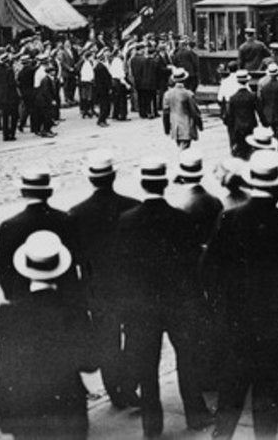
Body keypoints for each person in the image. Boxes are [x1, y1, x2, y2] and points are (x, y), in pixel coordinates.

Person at [203, 150, 278, 439]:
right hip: (272, 323)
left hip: (235, 321)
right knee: (268, 390)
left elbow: (210, 270)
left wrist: (219, 308)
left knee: (231, 387)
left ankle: (222, 435)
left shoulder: (229, 218)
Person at [113, 158, 213, 437]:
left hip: (142, 306)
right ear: (165, 183)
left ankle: (151, 426)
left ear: (143, 184)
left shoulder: (127, 221)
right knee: (188, 359)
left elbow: (122, 268)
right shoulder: (181, 219)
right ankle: (196, 414)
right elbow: (194, 264)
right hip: (178, 302)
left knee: (147, 366)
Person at [0, 231, 101, 440]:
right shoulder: (73, 310)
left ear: (26, 269)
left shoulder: (9, 313)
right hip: (67, 406)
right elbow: (91, 362)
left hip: (26, 408)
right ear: (59, 268)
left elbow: (0, 364)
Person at [66, 151, 141, 409]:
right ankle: (130, 387)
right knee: (134, 337)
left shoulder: (76, 213)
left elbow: (74, 257)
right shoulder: (132, 205)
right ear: (113, 176)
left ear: (90, 178)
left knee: (107, 340)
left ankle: (116, 393)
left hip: (97, 288)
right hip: (130, 285)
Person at [0, 168, 75, 302]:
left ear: (23, 192)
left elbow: (1, 266)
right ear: (49, 191)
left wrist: (13, 296)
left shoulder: (9, 226)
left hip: (24, 300)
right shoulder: (66, 219)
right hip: (65, 298)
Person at [162, 68, 202, 150]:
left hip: (174, 125)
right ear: (185, 80)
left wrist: (166, 128)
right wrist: (199, 124)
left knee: (181, 146)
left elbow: (165, 112)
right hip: (186, 125)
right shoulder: (188, 94)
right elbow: (194, 111)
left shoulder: (168, 94)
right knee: (184, 149)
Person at [224, 69, 261, 158]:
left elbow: (230, 115)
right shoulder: (252, 96)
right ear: (247, 81)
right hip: (251, 124)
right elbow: (259, 111)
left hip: (238, 126)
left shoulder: (233, 98)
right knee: (250, 147)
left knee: (241, 148)